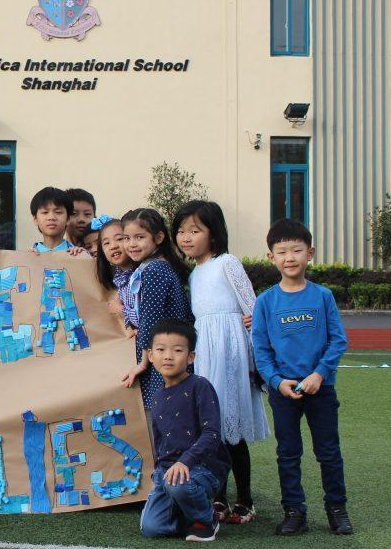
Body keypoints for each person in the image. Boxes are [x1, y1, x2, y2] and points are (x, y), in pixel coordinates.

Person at [252, 219, 352, 536]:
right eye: (282, 252)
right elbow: (261, 350)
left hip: (321, 389)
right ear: (271, 257)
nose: (290, 257)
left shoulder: (322, 296)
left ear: (310, 253)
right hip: (284, 391)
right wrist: (276, 381)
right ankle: (294, 512)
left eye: (296, 250)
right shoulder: (265, 301)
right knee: (288, 454)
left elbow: (338, 341)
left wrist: (320, 374)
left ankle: (337, 510)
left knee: (329, 453)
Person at [174, 200, 268, 525]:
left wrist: (252, 335)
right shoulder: (195, 273)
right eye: (181, 231)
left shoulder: (227, 263)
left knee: (231, 427)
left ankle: (245, 500)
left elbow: (253, 307)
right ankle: (219, 497)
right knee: (210, 426)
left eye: (195, 230)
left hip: (230, 352)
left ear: (213, 234)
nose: (186, 237)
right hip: (206, 350)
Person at [138, 319, 231, 542]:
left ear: (191, 357)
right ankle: (189, 515)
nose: (168, 356)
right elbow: (160, 442)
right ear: (150, 355)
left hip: (203, 468)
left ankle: (207, 520)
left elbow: (212, 434)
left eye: (177, 350)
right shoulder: (157, 396)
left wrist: (185, 461)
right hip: (169, 471)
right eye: (161, 350)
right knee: (151, 529)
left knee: (177, 484)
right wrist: (158, 472)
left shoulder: (200, 386)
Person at [119, 208, 193, 410]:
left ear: (159, 237)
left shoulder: (154, 271)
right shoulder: (154, 266)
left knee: (164, 414)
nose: (131, 244)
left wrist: (143, 363)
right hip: (169, 350)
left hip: (162, 355)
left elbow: (150, 321)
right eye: (126, 238)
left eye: (139, 237)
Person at [92, 216, 134, 336]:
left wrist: (120, 310)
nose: (113, 246)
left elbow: (148, 316)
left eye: (119, 239)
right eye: (106, 243)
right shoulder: (119, 278)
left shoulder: (143, 275)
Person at [30, 186, 74, 252]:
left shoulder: (80, 255)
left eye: (58, 212)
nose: (51, 217)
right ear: (35, 219)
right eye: (45, 212)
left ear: (68, 219)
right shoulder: (25, 257)